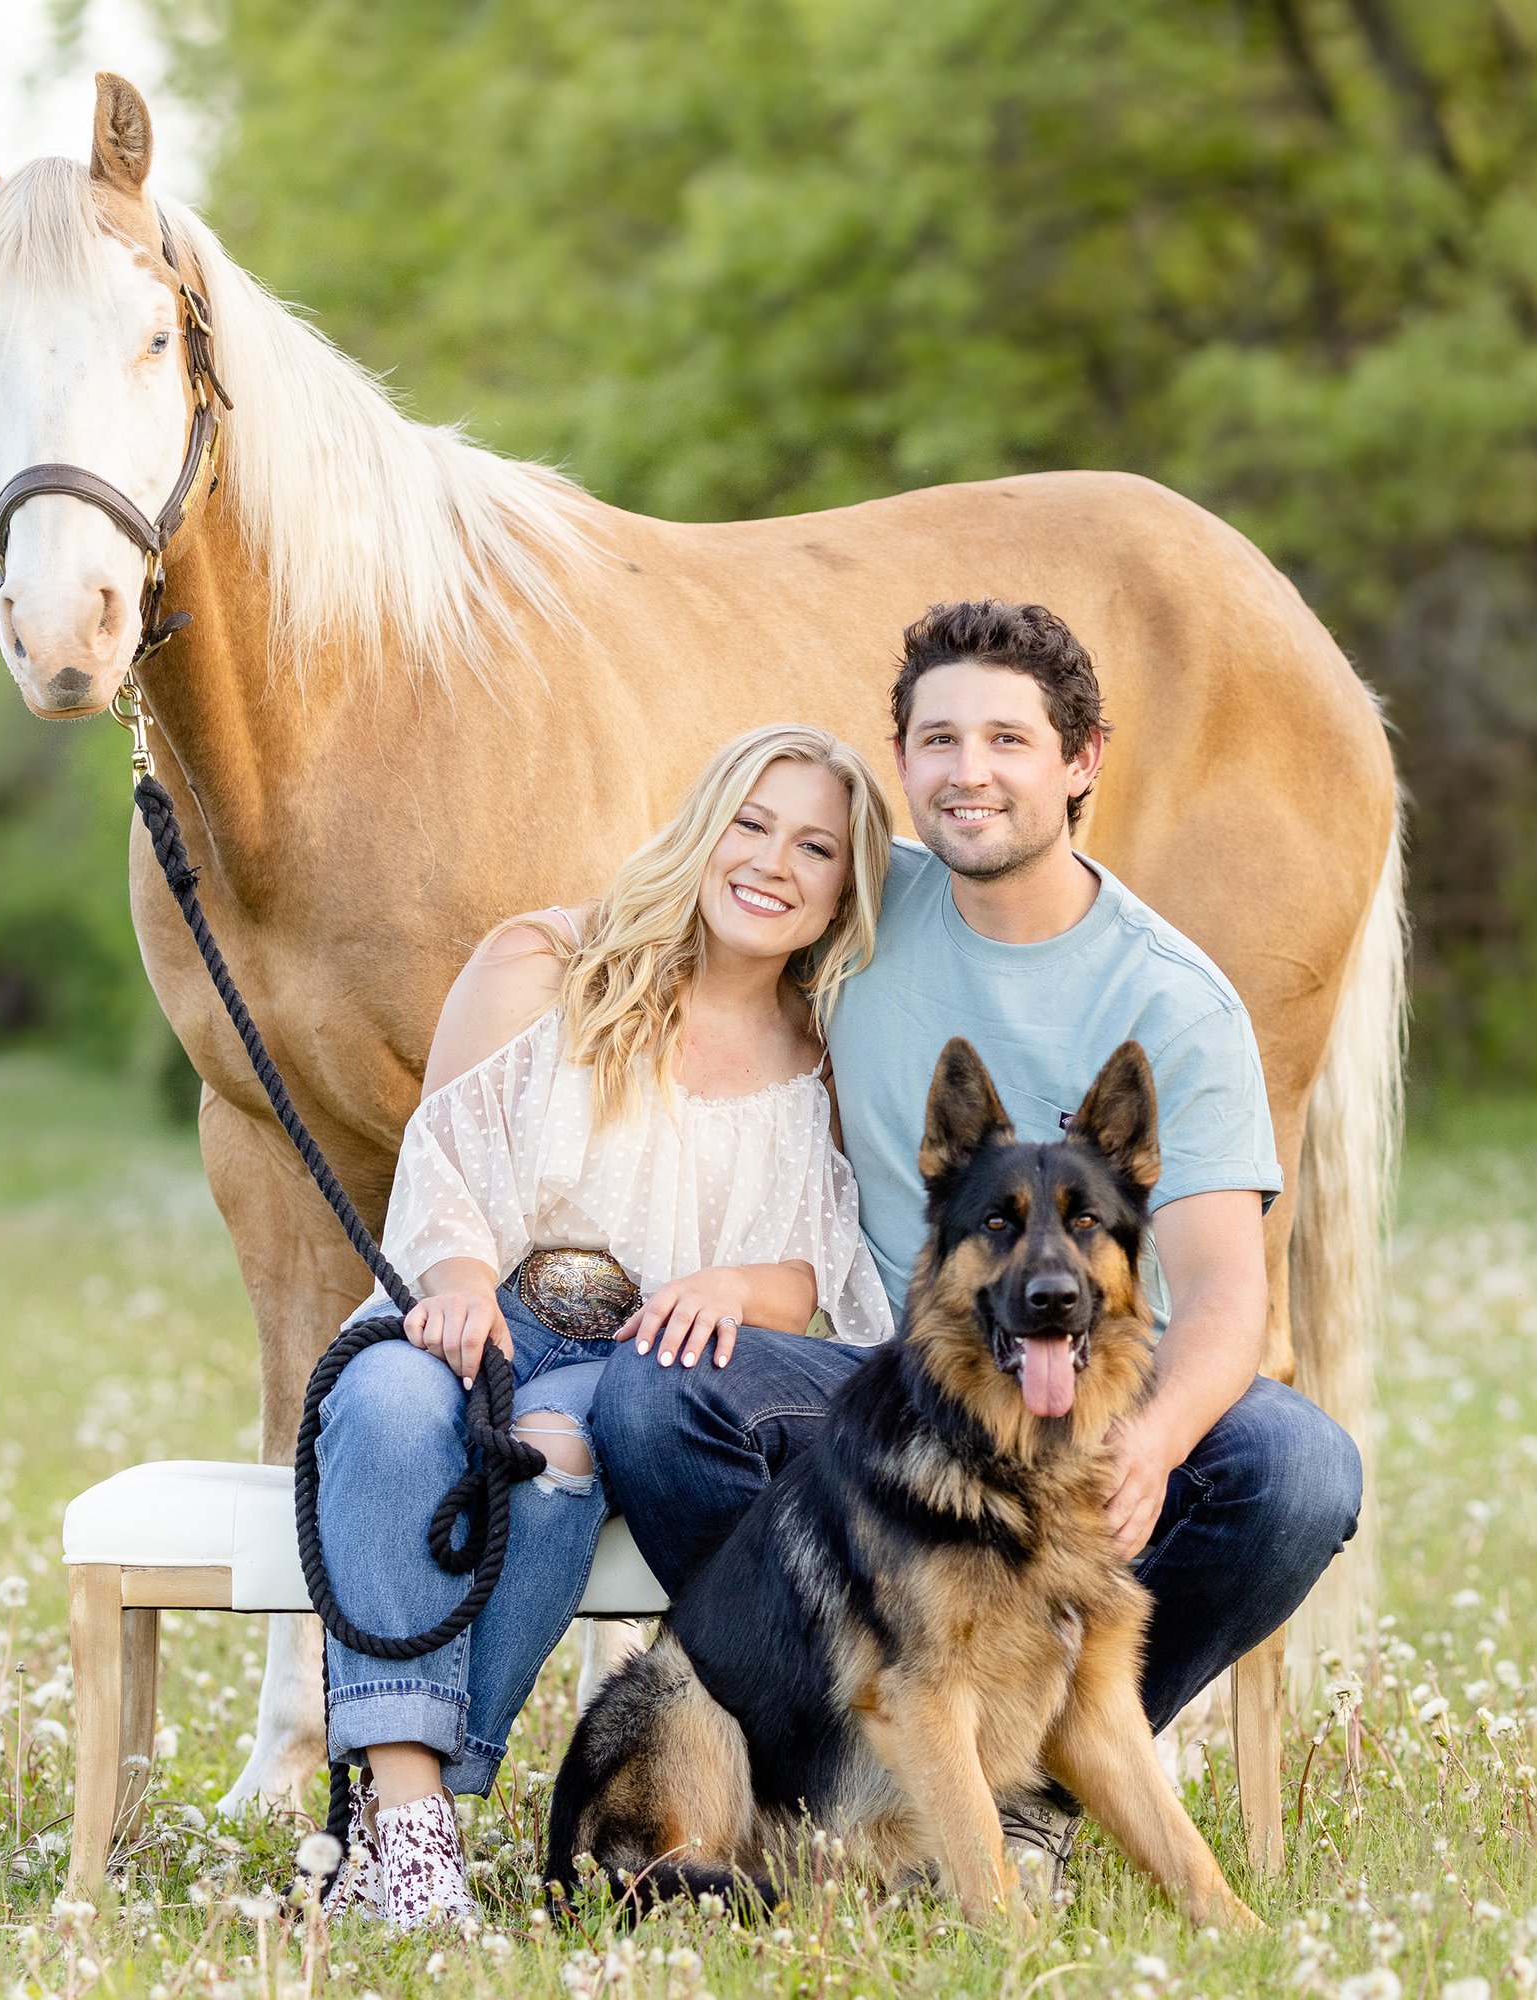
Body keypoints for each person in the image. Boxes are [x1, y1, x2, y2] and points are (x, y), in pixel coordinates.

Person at [590, 600, 1364, 1886]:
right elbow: (688, 899)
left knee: (1297, 1468)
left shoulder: (1171, 998)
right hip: (874, 1374)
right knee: (656, 1390)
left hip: (1084, 1395)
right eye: (938, 738)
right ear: (902, 760)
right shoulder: (868, 897)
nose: (969, 770)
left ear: (1081, 759)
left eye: (1009, 737)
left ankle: (1023, 1788)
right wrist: (536, 943)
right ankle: (836, 1759)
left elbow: (1227, 1291)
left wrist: (1152, 1445)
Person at [311, 723, 897, 1929]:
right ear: (701, 826)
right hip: (472, 1294)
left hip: (627, 1365)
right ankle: (409, 1827)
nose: (773, 863)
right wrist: (464, 1280)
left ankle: (412, 1816)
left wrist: (737, 1287)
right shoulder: (545, 959)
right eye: (750, 822)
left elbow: (821, 1270)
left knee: (555, 1456)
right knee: (390, 1401)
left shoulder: (817, 1054)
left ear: (846, 887)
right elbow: (442, 1161)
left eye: (815, 847)